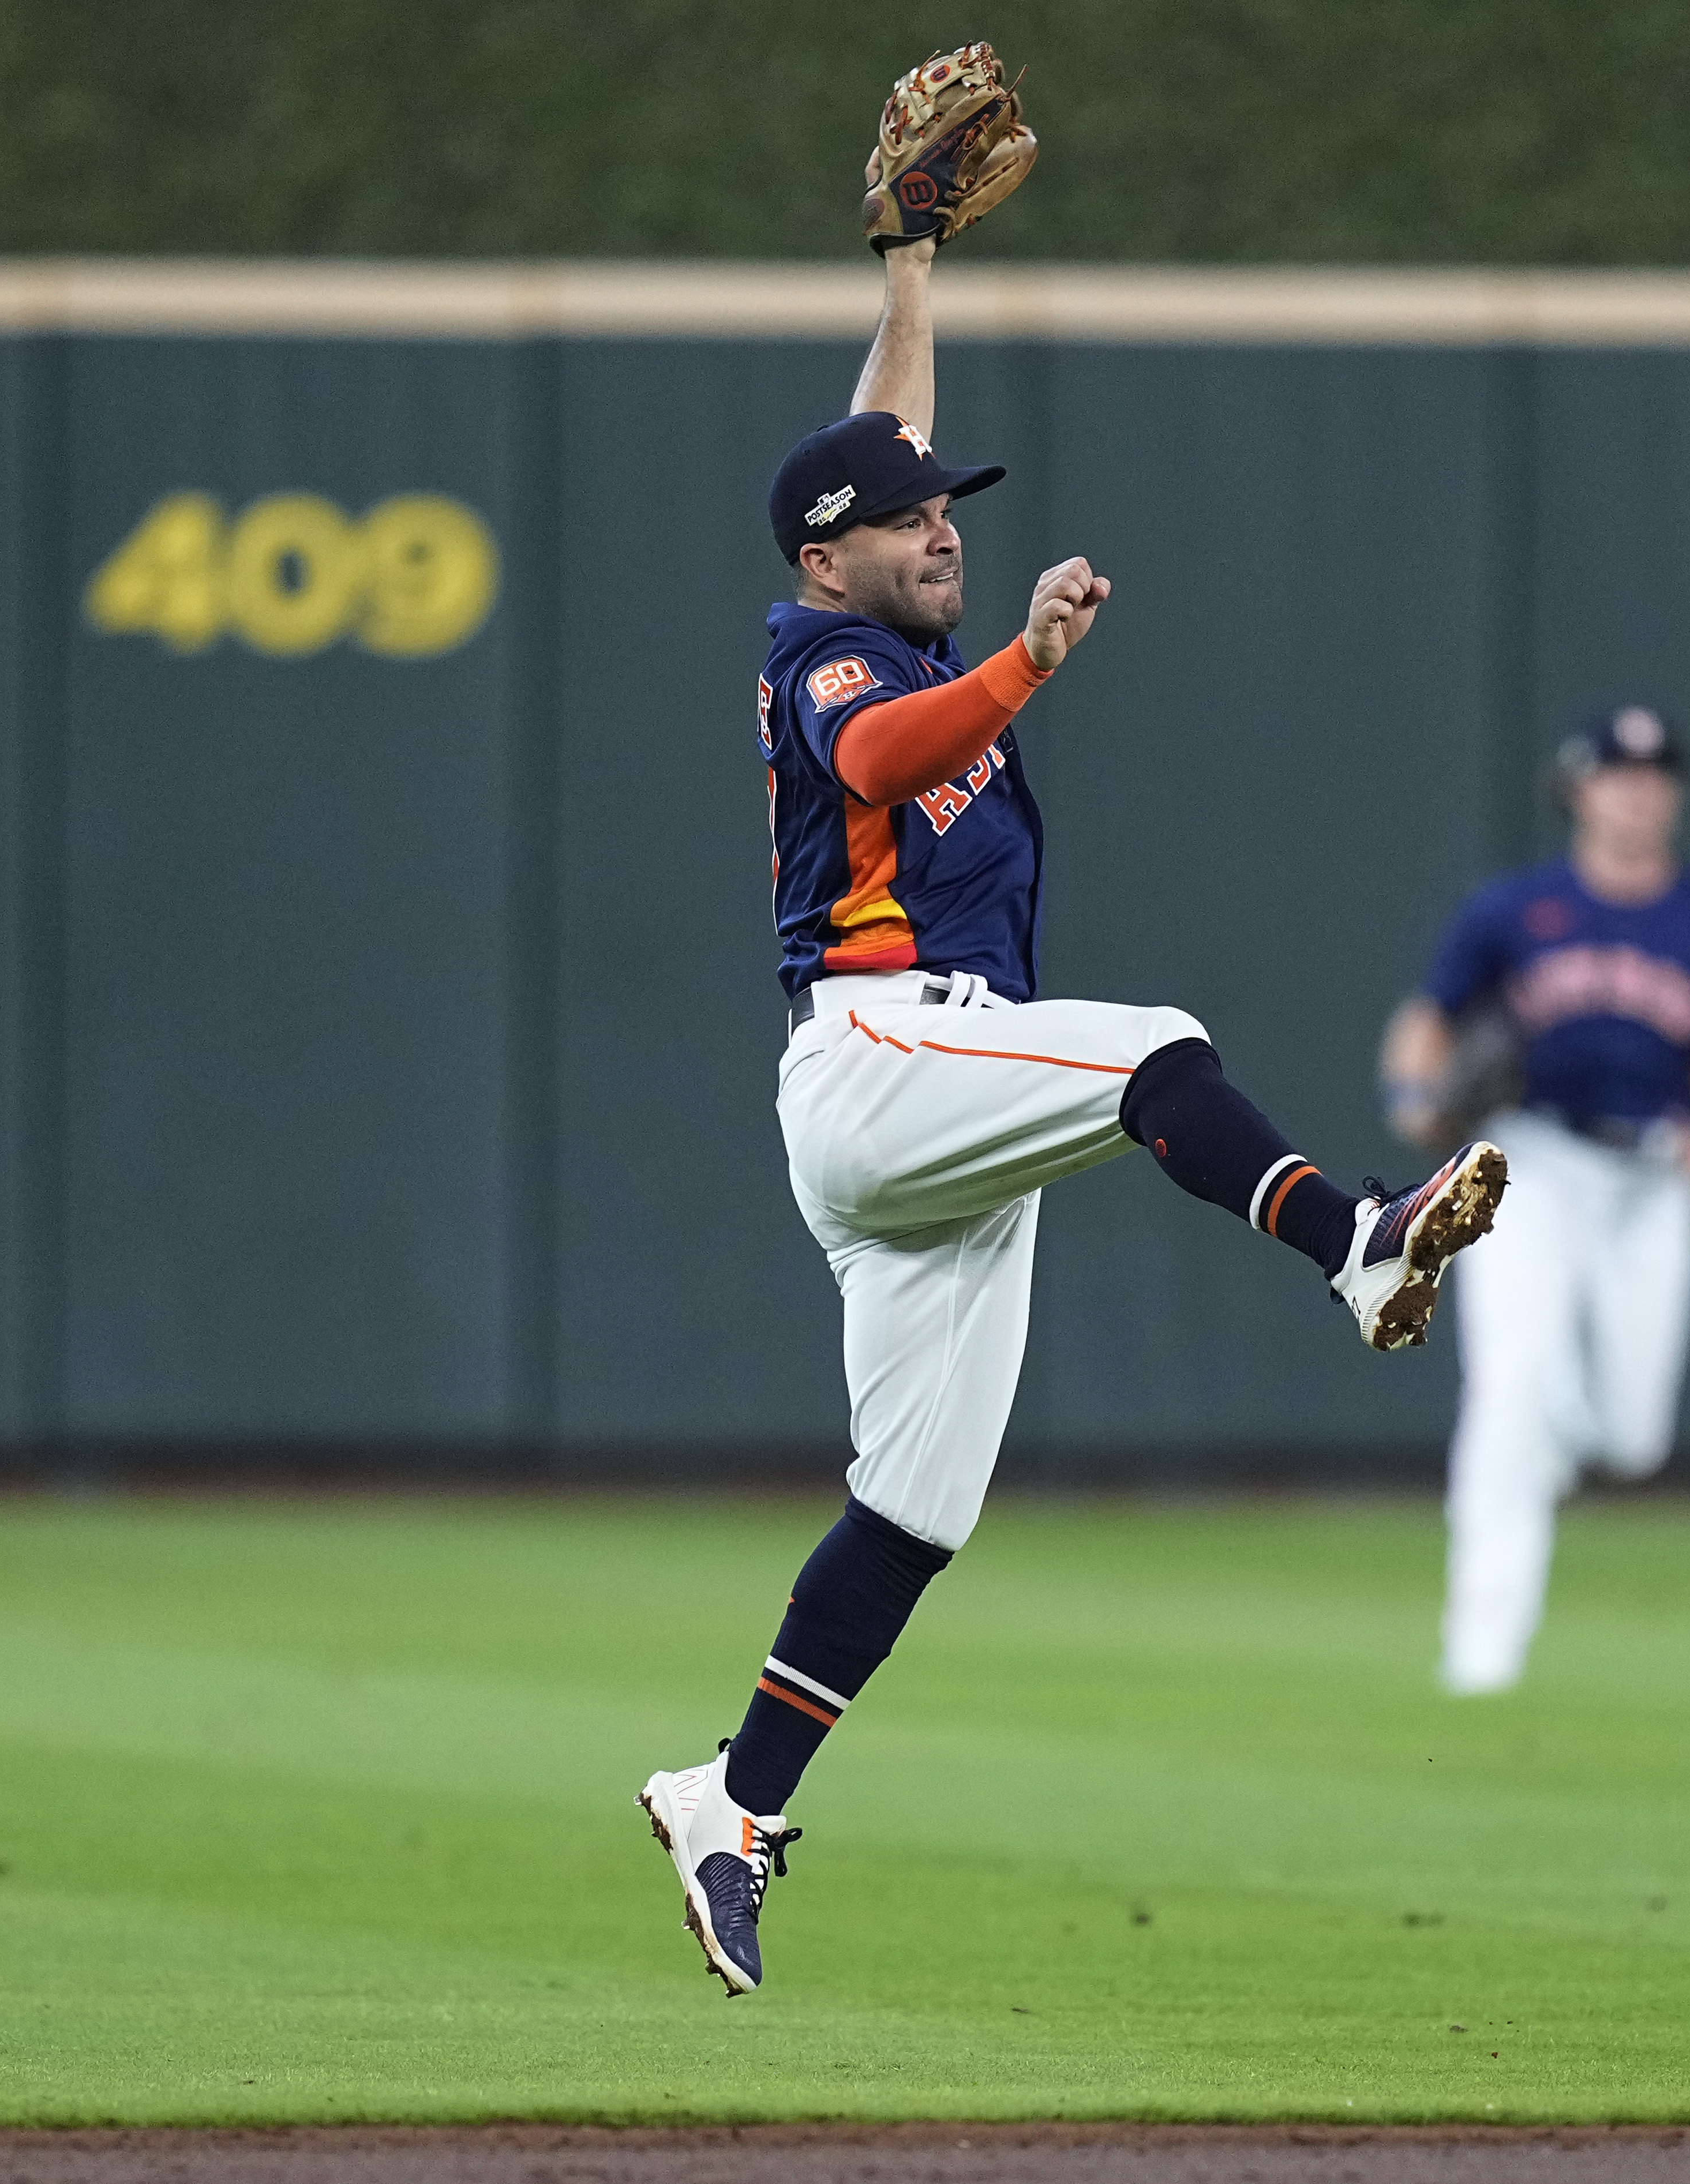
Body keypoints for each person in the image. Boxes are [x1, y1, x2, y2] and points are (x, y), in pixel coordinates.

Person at [635, 235, 1508, 1997]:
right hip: (886, 1054)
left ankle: (727, 1799)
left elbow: (881, 429)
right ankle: (1353, 1242)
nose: (942, 525)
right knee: (1149, 1051)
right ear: (828, 554)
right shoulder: (823, 656)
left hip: (921, 1111)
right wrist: (1028, 657)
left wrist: (908, 262)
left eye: (951, 510)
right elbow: (878, 762)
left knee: (915, 1512)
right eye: (911, 520)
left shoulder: (868, 579)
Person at [1378, 706, 1690, 1696]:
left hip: (1652, 1179)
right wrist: (1411, 1099)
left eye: (1655, 776)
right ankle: (1480, 1655)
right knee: (1505, 1394)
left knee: (1634, 1437)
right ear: (1580, 789)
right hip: (1533, 1164)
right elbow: (1426, 1023)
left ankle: (1560, 1416)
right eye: (1617, 774)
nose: (1638, 791)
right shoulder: (1514, 912)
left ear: (1675, 794)